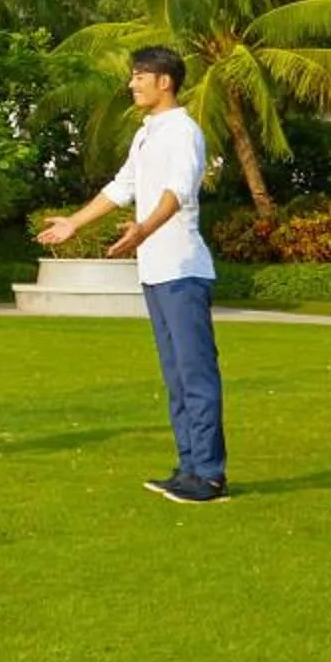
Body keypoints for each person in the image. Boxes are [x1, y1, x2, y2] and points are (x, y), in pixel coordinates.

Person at [37, 46, 228, 504]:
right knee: (176, 377)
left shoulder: (182, 131)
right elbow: (121, 187)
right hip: (157, 273)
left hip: (184, 270)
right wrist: (74, 223)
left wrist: (144, 228)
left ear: (166, 82)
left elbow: (177, 193)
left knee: (196, 375)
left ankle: (210, 476)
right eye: (133, 76)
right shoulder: (146, 134)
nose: (132, 83)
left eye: (141, 75)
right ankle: (188, 467)